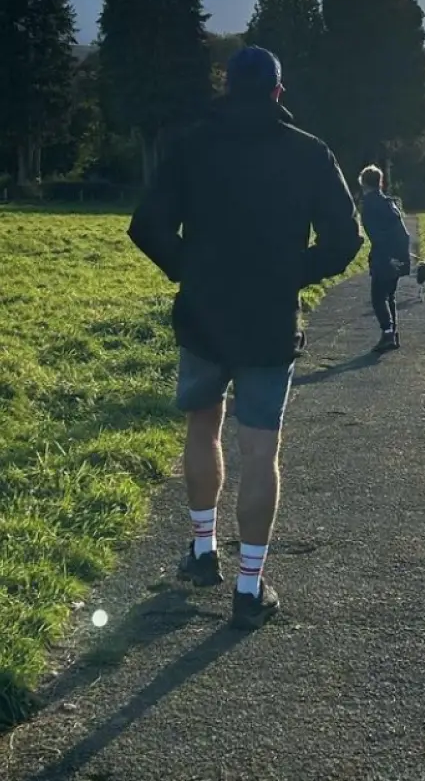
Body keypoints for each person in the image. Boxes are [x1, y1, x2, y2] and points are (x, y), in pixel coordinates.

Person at [128, 46, 363, 629]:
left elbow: (146, 226)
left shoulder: (189, 145)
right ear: (278, 93)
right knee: (262, 449)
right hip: (269, 322)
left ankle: (203, 551)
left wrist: (192, 269)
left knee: (202, 425)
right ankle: (249, 586)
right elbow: (345, 239)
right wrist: (291, 274)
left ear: (226, 87)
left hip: (203, 317)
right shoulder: (310, 152)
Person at [358, 165, 411, 353]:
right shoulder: (390, 203)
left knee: (377, 298)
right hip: (397, 255)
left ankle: (387, 333)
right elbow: (402, 233)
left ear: (363, 183)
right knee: (390, 296)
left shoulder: (369, 205)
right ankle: (393, 333)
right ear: (380, 182)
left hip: (384, 258)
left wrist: (386, 258)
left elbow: (376, 236)